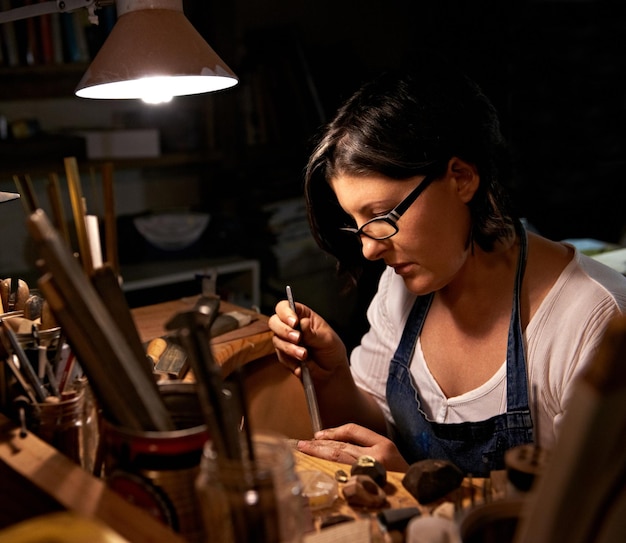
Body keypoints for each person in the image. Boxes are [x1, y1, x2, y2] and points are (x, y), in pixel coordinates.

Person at [268, 62, 626, 477]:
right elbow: (379, 425)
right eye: (356, 223)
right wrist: (332, 374)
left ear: (461, 178)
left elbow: (586, 519)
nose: (368, 249)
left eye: (382, 215)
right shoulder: (401, 287)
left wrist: (412, 486)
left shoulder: (594, 321)